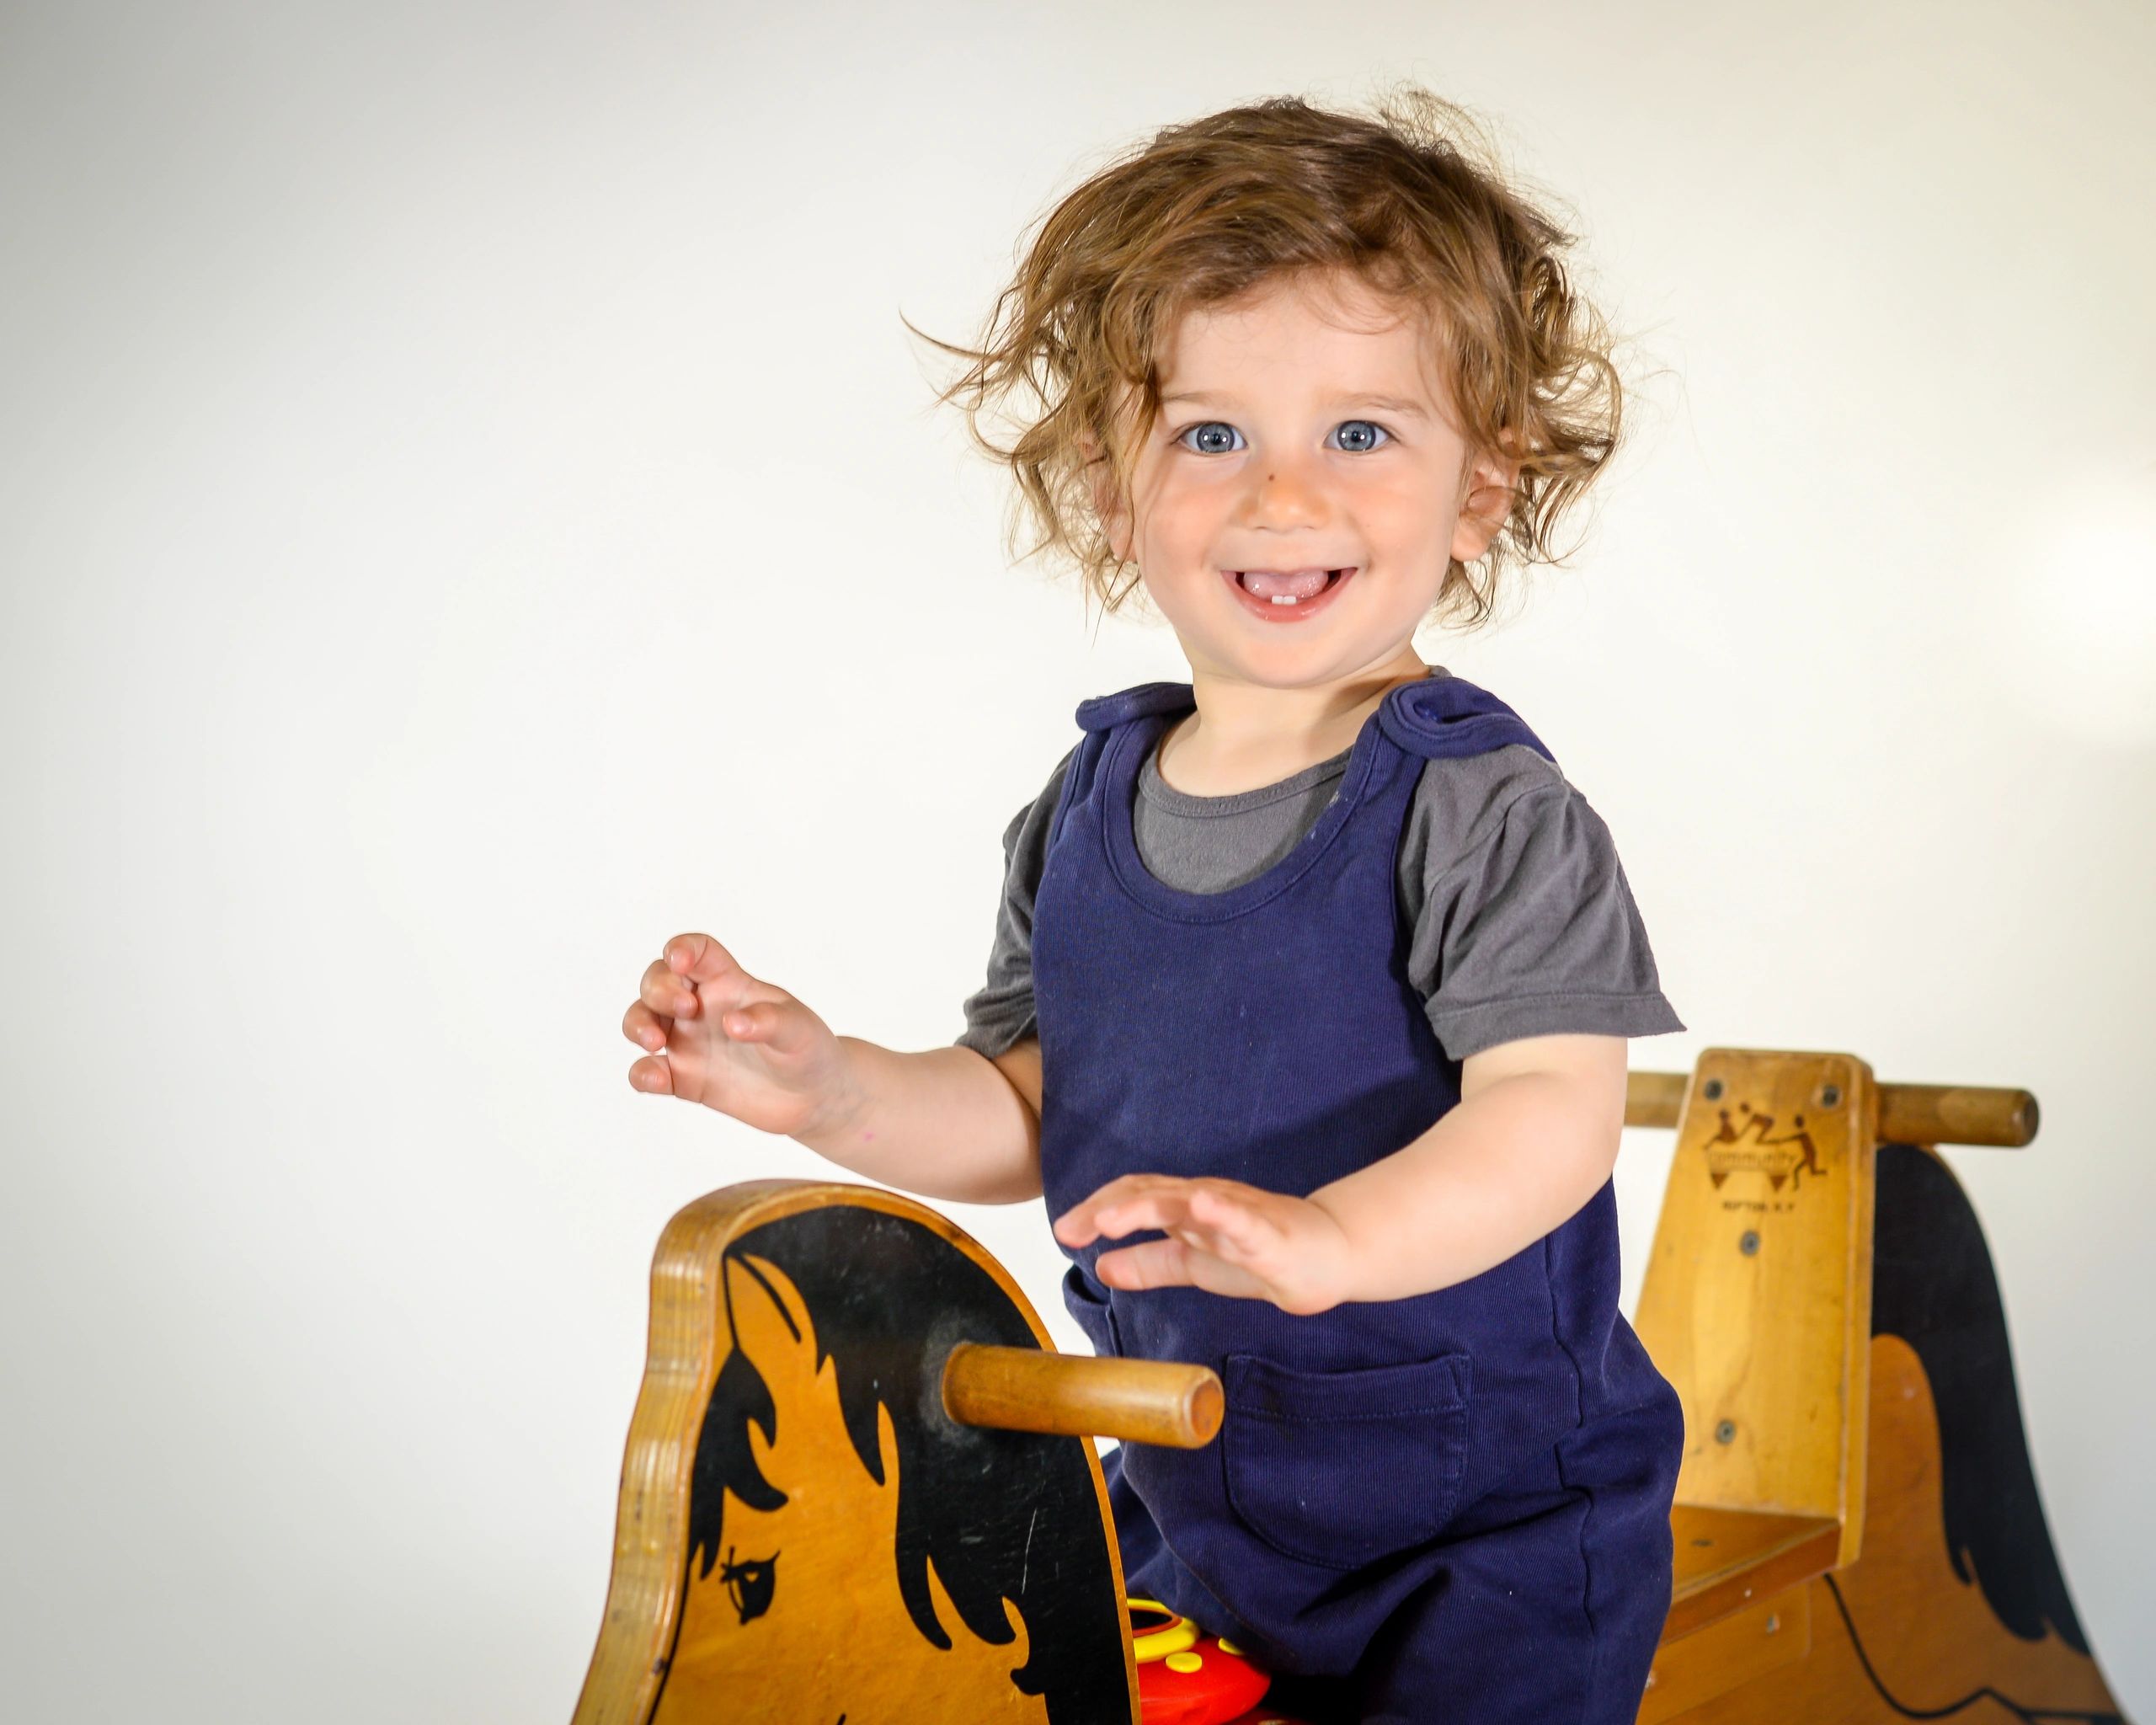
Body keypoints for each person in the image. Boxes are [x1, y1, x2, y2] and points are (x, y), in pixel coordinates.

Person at [621, 87, 1686, 1725]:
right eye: (1208, 433)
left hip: (1486, 1531)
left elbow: (1548, 1115)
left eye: (1358, 431)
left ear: (1478, 487)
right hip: (1200, 1493)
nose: (1280, 494)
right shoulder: (1081, 814)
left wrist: (1333, 1239)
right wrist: (830, 1085)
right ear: (1111, 491)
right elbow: (1027, 1111)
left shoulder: (1478, 807)